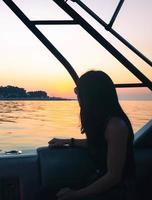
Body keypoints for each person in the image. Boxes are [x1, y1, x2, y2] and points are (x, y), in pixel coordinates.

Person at [49, 70, 136, 200]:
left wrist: (75, 195)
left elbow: (114, 176)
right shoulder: (102, 120)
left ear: (91, 95)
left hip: (116, 192)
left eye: (78, 90)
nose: (77, 95)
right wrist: (68, 141)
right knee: (47, 192)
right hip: (100, 182)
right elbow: (100, 144)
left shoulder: (115, 126)